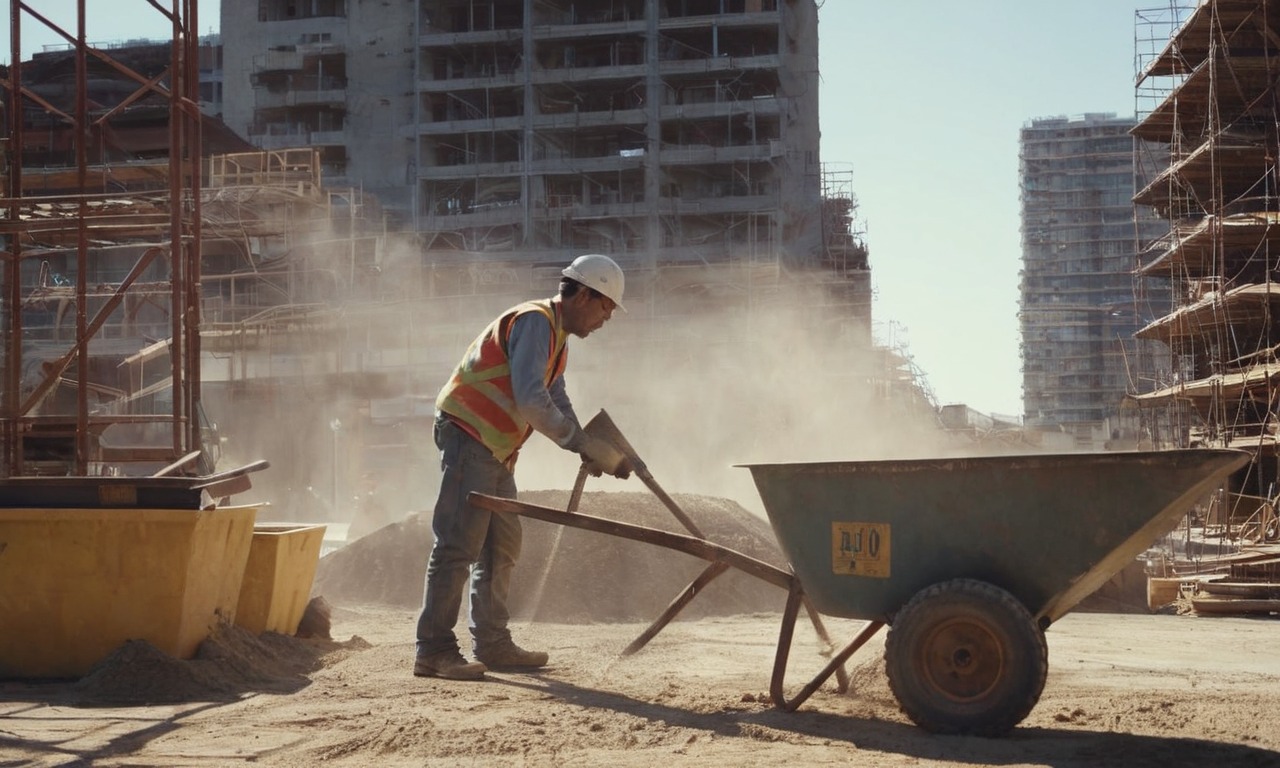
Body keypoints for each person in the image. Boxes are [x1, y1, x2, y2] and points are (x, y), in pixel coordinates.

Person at [414, 254, 633, 680]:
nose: (607, 319)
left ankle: (493, 643)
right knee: (458, 544)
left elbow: (555, 396)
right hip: (470, 436)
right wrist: (578, 441)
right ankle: (434, 650)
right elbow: (532, 400)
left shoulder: (556, 337)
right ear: (585, 295)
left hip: (494, 450)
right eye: (606, 307)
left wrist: (584, 446)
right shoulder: (535, 322)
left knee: (501, 546)